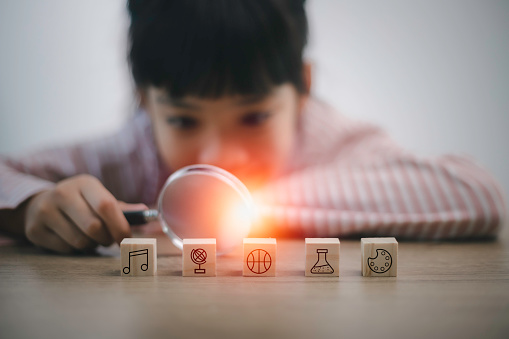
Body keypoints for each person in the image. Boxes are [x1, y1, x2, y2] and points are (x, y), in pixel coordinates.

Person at [0, 0, 505, 254]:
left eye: (255, 116)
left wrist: (228, 210)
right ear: (144, 103)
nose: (221, 153)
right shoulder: (132, 149)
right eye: (182, 118)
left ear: (303, 88)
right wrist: (29, 207)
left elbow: (479, 193)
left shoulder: (330, 139)